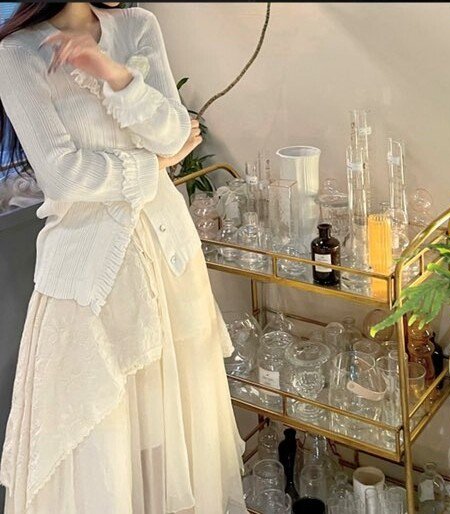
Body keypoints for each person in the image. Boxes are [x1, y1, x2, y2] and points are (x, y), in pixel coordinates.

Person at [0, 3, 247, 513]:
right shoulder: (17, 54)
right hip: (90, 279)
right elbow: (63, 176)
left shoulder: (138, 26)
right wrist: (151, 167)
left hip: (171, 261)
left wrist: (112, 73)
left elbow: (175, 133)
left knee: (176, 431)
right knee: (101, 444)